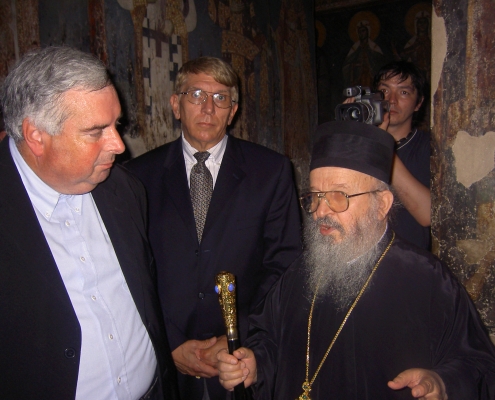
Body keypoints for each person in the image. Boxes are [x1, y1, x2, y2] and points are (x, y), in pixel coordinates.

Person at [216, 121, 495, 399]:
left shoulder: (428, 281)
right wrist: (254, 364)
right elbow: (270, 339)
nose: (320, 211)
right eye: (315, 196)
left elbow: (477, 365)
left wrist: (442, 383)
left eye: (338, 196)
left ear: (382, 205)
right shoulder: (299, 274)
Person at [0, 47, 179, 399]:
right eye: (96, 131)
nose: (118, 145)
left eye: (116, 125)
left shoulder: (124, 189)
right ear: (36, 135)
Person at [126, 57, 302, 399]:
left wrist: (238, 334)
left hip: (240, 359)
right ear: (176, 105)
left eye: (220, 98)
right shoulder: (137, 177)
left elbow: (285, 266)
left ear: (232, 110)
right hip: (165, 365)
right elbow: (132, 270)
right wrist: (171, 341)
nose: (208, 107)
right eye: (196, 95)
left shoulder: (271, 172)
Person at [373, 60, 431, 250]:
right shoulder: (362, 143)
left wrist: (382, 143)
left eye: (404, 92)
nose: (391, 100)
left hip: (409, 265)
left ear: (418, 103)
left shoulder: (429, 147)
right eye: (385, 90)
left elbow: (428, 214)